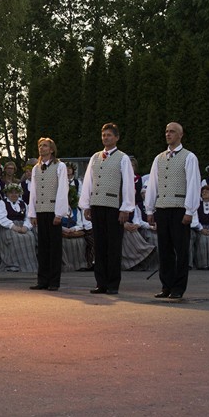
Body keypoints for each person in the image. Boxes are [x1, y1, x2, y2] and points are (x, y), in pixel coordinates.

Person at [144, 122, 201, 300]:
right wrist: (150, 209)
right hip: (162, 207)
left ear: (180, 135)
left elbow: (193, 184)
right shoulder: (159, 158)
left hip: (179, 208)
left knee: (181, 249)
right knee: (165, 249)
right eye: (167, 131)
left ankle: (178, 287)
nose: (168, 134)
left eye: (172, 132)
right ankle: (166, 285)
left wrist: (190, 210)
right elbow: (153, 184)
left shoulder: (189, 157)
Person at [79, 123, 135, 295]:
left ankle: (112, 283)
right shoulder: (95, 157)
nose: (106, 138)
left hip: (113, 207)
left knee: (113, 246)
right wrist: (86, 205)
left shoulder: (123, 158)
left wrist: (125, 208)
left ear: (116, 138)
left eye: (109, 135)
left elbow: (127, 184)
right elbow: (88, 181)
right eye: (104, 135)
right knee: (100, 245)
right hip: (97, 205)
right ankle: (100, 282)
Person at [28, 138, 68, 291]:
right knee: (43, 247)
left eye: (45, 146)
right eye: (40, 145)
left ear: (51, 149)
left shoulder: (60, 166)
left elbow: (62, 190)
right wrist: (32, 213)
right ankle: (42, 280)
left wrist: (59, 213)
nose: (41, 148)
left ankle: (54, 281)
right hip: (40, 210)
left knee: (54, 247)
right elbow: (33, 192)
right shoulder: (36, 168)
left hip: (53, 210)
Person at [0, 182, 37, 273]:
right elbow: (1, 218)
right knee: (15, 238)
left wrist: (26, 227)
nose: (14, 195)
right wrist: (14, 227)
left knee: (30, 236)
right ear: (7, 194)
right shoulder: (2, 203)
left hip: (22, 226)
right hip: (7, 227)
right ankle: (14, 264)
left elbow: (28, 217)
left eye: (16, 193)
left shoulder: (23, 203)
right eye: (11, 192)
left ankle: (28, 265)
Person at [61, 186, 91, 272]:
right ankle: (67, 266)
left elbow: (80, 224)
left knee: (81, 241)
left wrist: (73, 229)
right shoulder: (59, 210)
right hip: (62, 233)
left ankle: (79, 265)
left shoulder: (75, 210)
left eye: (69, 197)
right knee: (64, 242)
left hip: (72, 232)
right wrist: (64, 229)